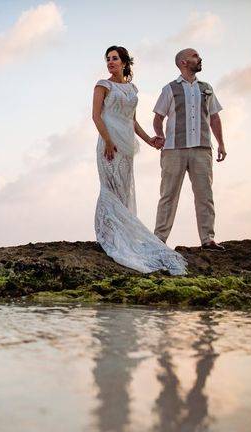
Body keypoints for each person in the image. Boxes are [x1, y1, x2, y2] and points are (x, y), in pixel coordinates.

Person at [92, 45, 187, 275]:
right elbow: (96, 116)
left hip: (125, 146)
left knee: (123, 192)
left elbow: (132, 122)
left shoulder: (133, 88)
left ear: (125, 63)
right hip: (108, 145)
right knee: (110, 189)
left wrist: (150, 141)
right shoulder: (102, 85)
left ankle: (124, 235)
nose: (110, 62)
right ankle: (110, 236)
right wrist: (107, 141)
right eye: (108, 59)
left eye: (115, 58)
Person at [152, 48, 226, 251]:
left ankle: (207, 239)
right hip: (174, 149)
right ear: (183, 62)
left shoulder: (207, 88)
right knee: (168, 195)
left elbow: (214, 117)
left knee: (205, 195)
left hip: (202, 149)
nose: (200, 59)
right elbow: (158, 117)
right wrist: (160, 135)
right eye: (195, 56)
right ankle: (159, 239)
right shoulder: (169, 89)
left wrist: (221, 143)